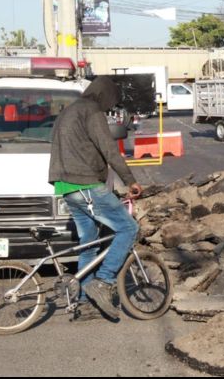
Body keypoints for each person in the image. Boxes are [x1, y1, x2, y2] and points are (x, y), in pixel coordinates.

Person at [49, 76, 142, 321]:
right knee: (128, 228)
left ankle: (84, 303)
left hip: (66, 187)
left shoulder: (67, 112)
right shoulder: (91, 111)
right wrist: (130, 180)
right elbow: (109, 149)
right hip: (86, 184)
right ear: (105, 95)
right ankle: (104, 281)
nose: (110, 107)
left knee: (89, 244)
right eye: (111, 101)